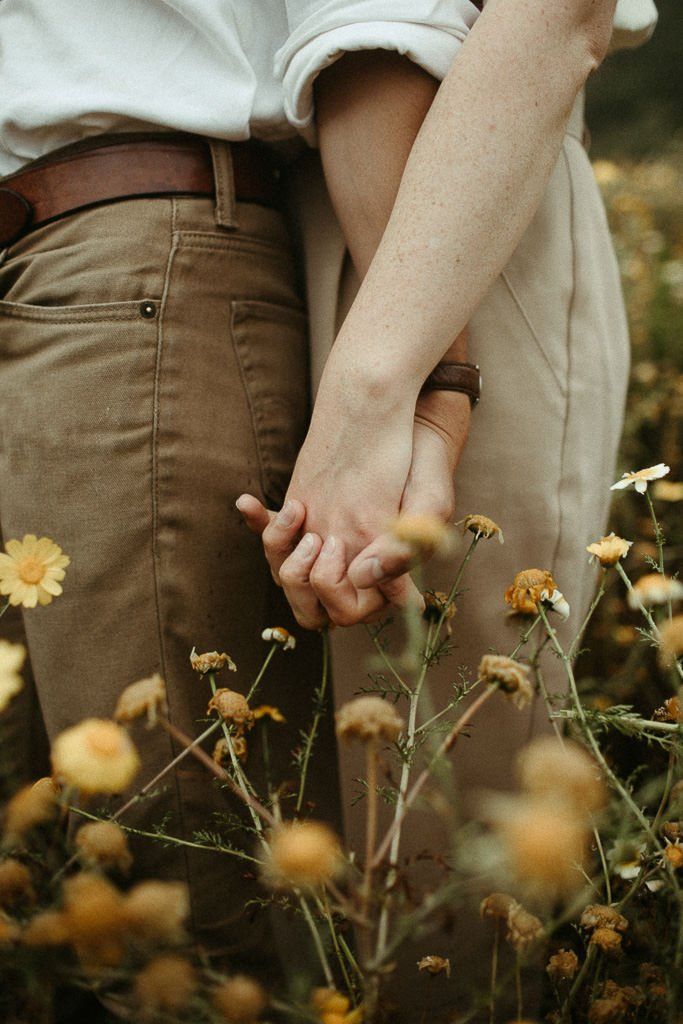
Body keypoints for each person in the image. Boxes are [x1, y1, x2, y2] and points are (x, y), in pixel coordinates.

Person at [237, 0, 658, 1016]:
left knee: (440, 869)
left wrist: (398, 393)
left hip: (457, 193)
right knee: (329, 878)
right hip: (279, 206)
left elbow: (553, 16)